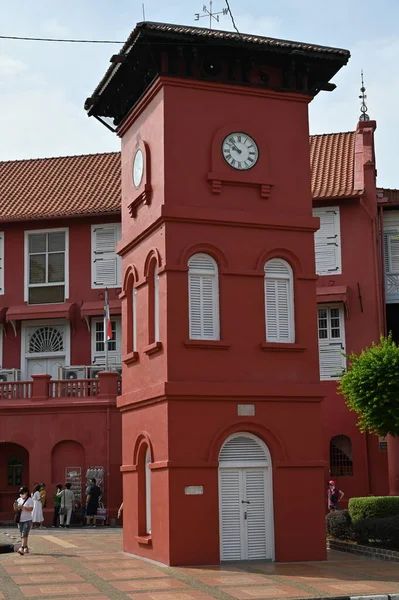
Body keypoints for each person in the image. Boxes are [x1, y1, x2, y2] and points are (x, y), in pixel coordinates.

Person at [13, 486, 34, 555]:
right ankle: (26, 547)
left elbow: (31, 509)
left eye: (22, 493)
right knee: (22, 535)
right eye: (20, 493)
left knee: (24, 534)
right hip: (20, 520)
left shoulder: (30, 500)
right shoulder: (19, 499)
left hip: (27, 520)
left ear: (26, 493)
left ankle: (22, 548)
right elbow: (15, 509)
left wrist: (23, 507)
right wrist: (16, 507)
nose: (21, 494)